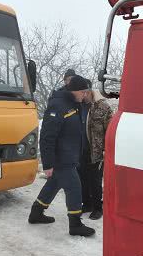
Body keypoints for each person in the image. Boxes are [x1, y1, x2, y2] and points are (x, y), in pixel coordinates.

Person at [28, 75, 95, 237]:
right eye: (83, 92)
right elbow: (47, 137)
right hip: (61, 158)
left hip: (69, 155)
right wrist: (48, 164)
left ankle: (36, 213)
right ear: (74, 91)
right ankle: (75, 224)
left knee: (53, 185)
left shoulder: (74, 104)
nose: (85, 95)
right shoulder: (58, 105)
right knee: (74, 188)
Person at [79, 85, 113, 219]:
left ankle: (98, 208)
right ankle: (86, 204)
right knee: (83, 180)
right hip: (81, 150)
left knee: (95, 181)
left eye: (83, 93)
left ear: (87, 92)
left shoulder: (103, 107)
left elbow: (110, 130)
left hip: (97, 151)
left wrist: (106, 149)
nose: (82, 97)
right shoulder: (78, 106)